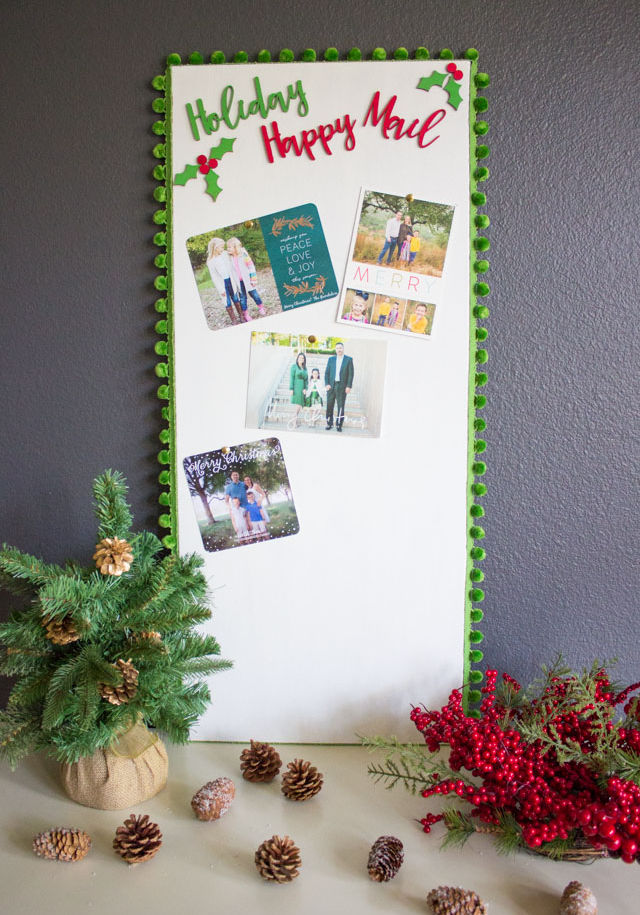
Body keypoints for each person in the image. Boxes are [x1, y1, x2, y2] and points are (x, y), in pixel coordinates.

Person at [226, 237, 267, 320]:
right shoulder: (229, 258)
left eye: (229, 247)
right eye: (227, 247)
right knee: (243, 298)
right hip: (238, 282)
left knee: (255, 295)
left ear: (235, 247)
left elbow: (251, 266)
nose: (228, 249)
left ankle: (261, 307)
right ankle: (246, 314)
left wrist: (253, 279)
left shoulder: (243, 255)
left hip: (248, 280)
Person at [206, 237, 244, 325]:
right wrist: (220, 289)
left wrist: (241, 249)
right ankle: (234, 319)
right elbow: (214, 277)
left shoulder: (224, 254)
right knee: (227, 301)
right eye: (221, 247)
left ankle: (241, 315)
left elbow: (235, 251)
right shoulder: (210, 261)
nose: (223, 249)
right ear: (215, 247)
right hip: (222, 283)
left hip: (230, 280)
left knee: (235, 298)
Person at [324, 342, 354, 432]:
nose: (339, 350)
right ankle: (329, 423)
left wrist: (349, 386)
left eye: (340, 348)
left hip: (342, 387)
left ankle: (339, 425)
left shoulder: (348, 359)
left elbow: (351, 374)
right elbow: (326, 373)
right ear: (335, 349)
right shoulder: (331, 359)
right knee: (329, 406)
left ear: (343, 348)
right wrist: (327, 384)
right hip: (331, 386)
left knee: (340, 406)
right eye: (337, 348)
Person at [289, 352, 308, 427]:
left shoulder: (305, 368)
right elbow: (292, 378)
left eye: (303, 358)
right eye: (300, 358)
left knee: (300, 406)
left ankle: (294, 420)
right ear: (297, 359)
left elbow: (306, 380)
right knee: (297, 406)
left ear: (304, 360)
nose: (301, 359)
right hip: (296, 387)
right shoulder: (294, 367)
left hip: (302, 388)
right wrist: (291, 388)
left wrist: (305, 388)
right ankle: (294, 422)